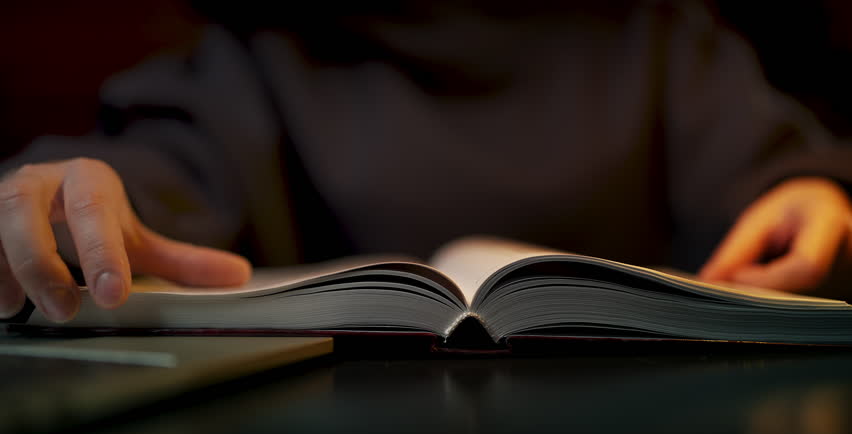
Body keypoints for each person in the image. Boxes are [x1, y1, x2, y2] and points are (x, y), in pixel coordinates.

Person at [2, 0, 852, 324]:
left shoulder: (662, 40)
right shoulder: (253, 63)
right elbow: (155, 177)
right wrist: (71, 200)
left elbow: (778, 179)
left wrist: (814, 197)